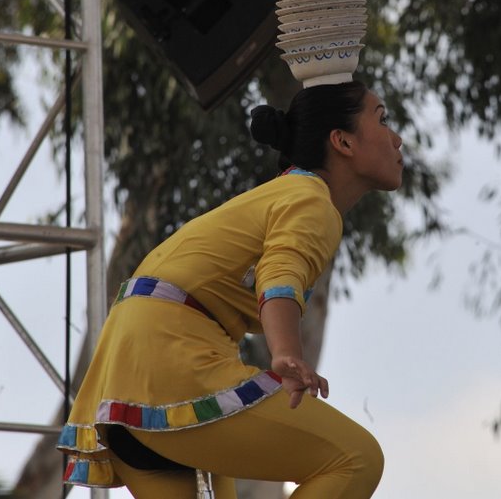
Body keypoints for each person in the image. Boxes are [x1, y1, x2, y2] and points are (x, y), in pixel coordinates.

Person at [57, 80, 403, 499]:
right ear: (342, 141)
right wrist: (286, 352)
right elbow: (280, 276)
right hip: (174, 362)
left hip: (124, 371)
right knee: (356, 458)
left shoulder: (281, 195)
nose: (397, 137)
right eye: (383, 120)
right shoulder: (310, 199)